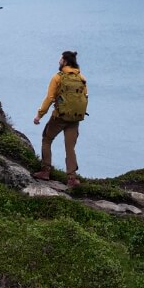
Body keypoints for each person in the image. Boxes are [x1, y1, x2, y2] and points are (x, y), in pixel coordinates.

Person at [32, 49, 87, 187]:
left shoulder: (58, 77)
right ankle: (72, 178)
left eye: (60, 59)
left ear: (65, 61)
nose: (59, 61)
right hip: (75, 119)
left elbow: (50, 98)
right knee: (70, 148)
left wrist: (39, 115)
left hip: (59, 117)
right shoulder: (81, 78)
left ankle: (45, 171)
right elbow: (84, 97)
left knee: (47, 139)